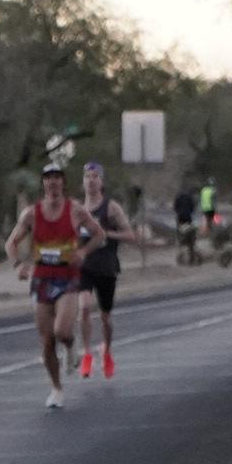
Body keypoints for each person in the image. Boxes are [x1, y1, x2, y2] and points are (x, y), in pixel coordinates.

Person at [5, 164, 104, 407]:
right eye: (48, 178)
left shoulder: (75, 210)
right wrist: (18, 265)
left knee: (61, 331)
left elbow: (99, 235)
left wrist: (83, 252)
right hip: (41, 278)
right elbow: (11, 243)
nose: (53, 182)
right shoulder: (31, 214)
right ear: (43, 183)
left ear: (63, 182)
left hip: (67, 277)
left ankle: (70, 344)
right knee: (47, 340)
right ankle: (57, 389)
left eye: (57, 178)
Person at [75, 161, 131, 380]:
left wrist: (108, 234)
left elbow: (130, 234)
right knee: (84, 308)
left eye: (95, 177)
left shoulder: (111, 207)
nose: (91, 181)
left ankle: (106, 350)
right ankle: (87, 354)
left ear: (101, 181)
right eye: (87, 177)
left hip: (106, 266)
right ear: (83, 182)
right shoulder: (78, 209)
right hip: (84, 266)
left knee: (105, 317)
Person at [173, 185, 198, 263]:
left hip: (180, 218)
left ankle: (182, 248)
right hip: (188, 218)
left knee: (181, 233)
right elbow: (193, 208)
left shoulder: (178, 197)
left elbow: (175, 207)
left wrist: (179, 212)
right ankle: (191, 254)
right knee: (190, 234)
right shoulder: (190, 197)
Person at [199, 177, 218, 252]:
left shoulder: (203, 190)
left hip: (204, 208)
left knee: (206, 220)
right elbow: (214, 200)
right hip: (211, 208)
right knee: (214, 219)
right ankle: (214, 231)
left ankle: (205, 233)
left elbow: (201, 199)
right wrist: (215, 209)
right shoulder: (213, 190)